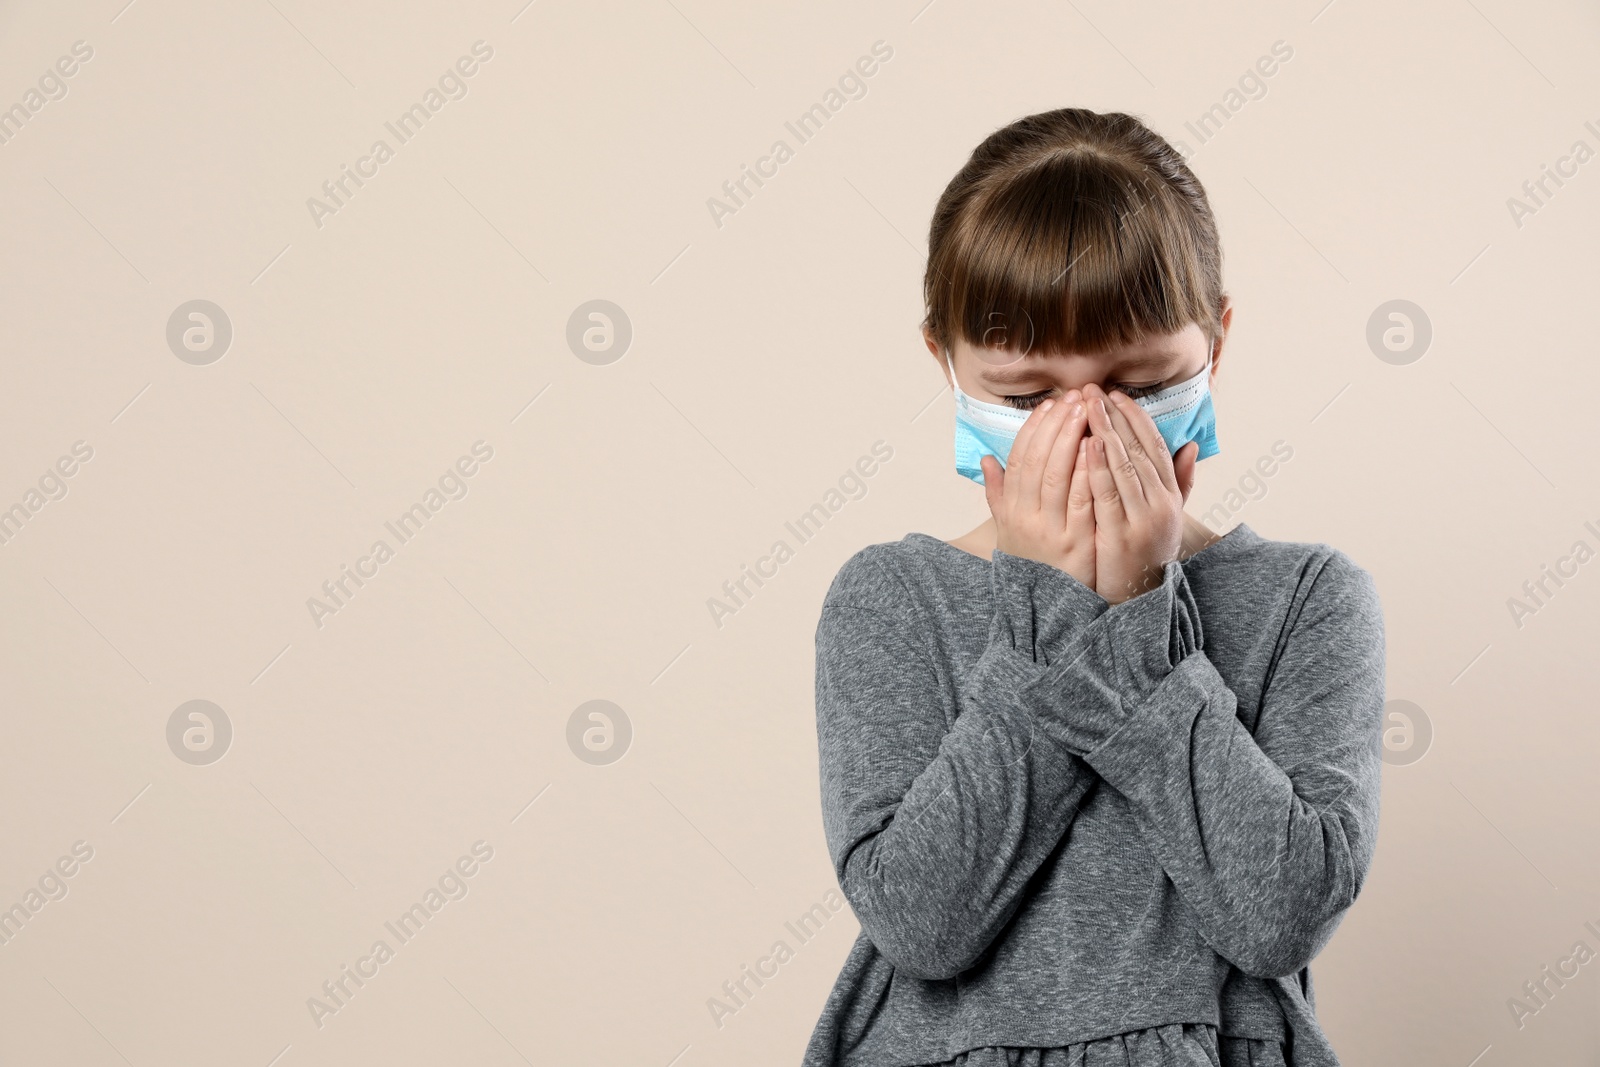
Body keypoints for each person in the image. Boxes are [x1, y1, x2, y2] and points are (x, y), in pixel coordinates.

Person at [801, 108, 1386, 1067]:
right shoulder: (890, 598)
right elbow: (920, 922)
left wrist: (1142, 605)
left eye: (1138, 383)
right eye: (1028, 400)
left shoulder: (1308, 600)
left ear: (1216, 347)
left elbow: (1278, 914)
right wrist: (1044, 605)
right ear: (945, 364)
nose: (1082, 434)